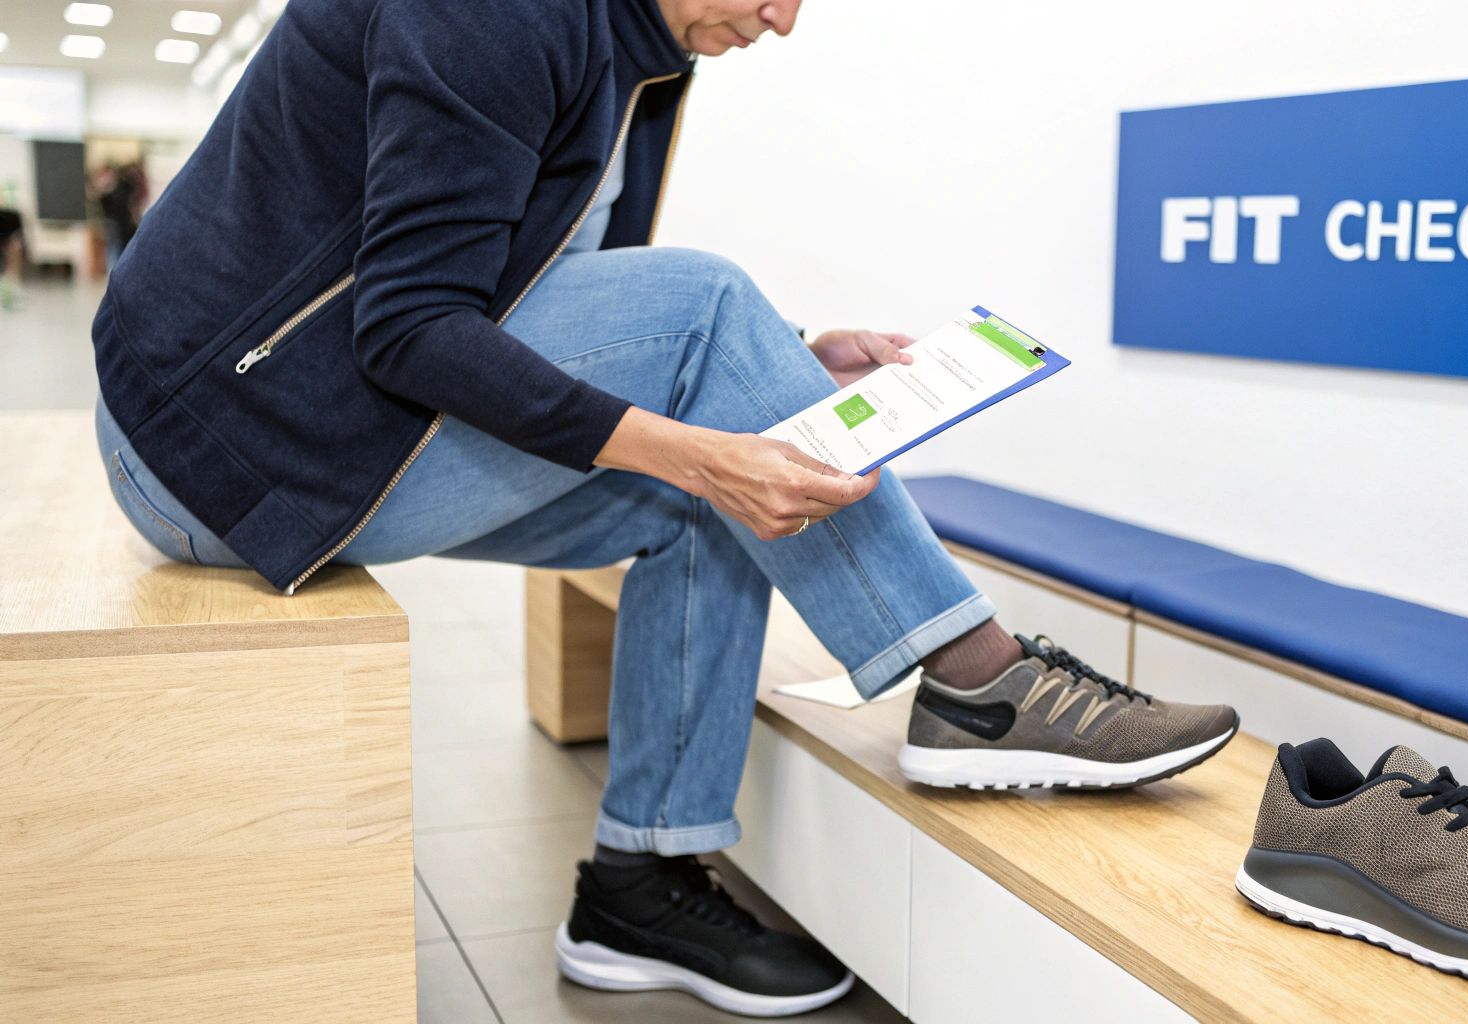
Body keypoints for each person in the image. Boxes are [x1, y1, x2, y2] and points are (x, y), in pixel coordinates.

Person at [90, 0, 1239, 1014]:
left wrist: (781, 364)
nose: (785, 19)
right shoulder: (496, 15)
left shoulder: (639, 47)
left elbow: (550, 299)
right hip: (217, 444)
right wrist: (703, 429)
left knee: (704, 494)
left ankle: (638, 885)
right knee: (704, 357)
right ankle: (980, 682)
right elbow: (410, 327)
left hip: (308, 405)